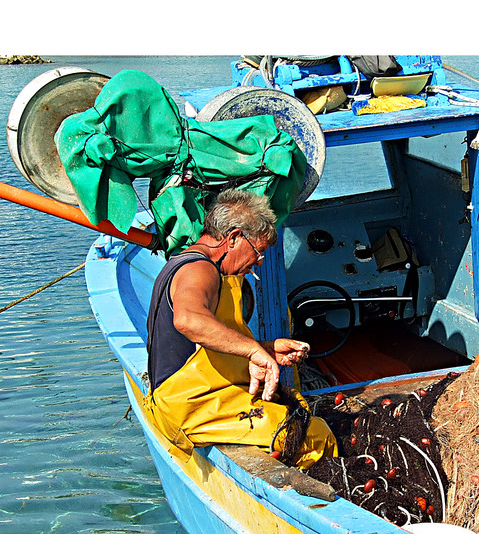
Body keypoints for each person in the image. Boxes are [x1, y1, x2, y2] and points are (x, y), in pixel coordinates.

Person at [144, 189, 337, 469]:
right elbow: (188, 320)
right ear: (234, 238)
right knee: (314, 436)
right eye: (257, 252)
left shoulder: (205, 268)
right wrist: (252, 351)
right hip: (188, 407)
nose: (258, 262)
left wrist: (266, 349)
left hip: (203, 396)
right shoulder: (200, 269)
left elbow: (206, 346)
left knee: (298, 406)